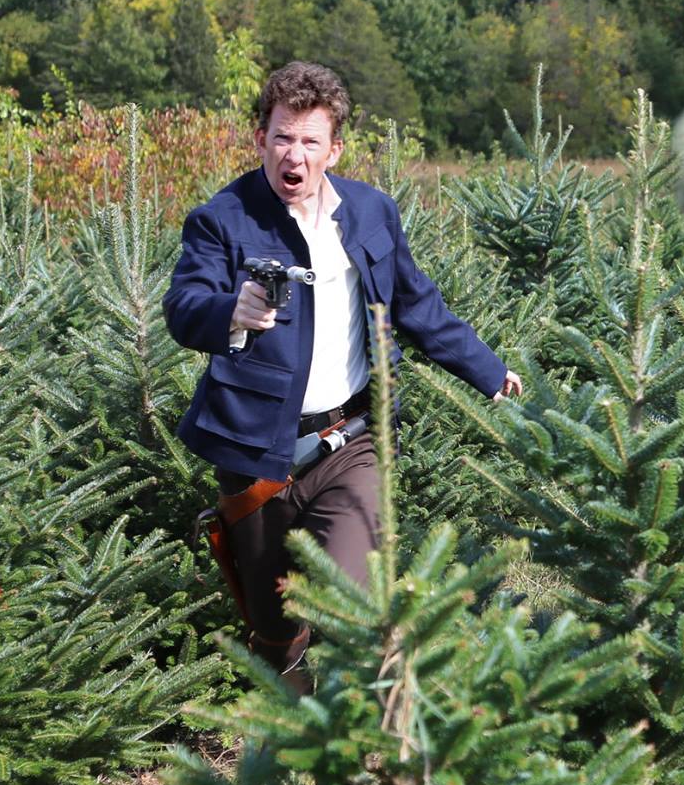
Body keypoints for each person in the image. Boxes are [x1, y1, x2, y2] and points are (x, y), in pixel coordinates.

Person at [164, 61, 522, 691]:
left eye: (309, 140)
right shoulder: (223, 218)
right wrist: (232, 310)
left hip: (349, 442)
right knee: (274, 629)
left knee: (359, 600)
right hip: (256, 458)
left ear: (334, 148)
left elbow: (416, 305)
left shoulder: (370, 212)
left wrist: (488, 371)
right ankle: (296, 731)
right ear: (260, 139)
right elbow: (184, 307)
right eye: (281, 137)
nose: (292, 154)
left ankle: (379, 743)